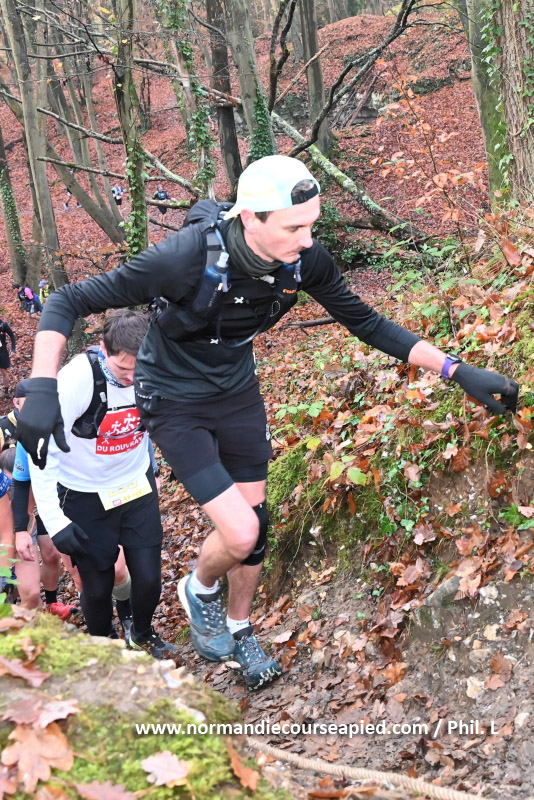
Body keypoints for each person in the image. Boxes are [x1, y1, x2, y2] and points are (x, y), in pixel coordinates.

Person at [16, 155, 519, 689]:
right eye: (295, 227)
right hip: (173, 398)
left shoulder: (303, 261)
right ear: (250, 218)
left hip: (237, 392)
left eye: (312, 225)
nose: (308, 240)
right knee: (240, 531)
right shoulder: (185, 257)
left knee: (256, 530)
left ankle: (239, 626)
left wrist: (455, 369)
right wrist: (43, 385)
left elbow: (366, 322)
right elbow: (68, 300)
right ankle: (198, 587)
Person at [27, 310, 176, 657]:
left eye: (140, 369)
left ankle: (142, 633)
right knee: (97, 586)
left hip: (134, 484)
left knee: (149, 577)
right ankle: (104, 648)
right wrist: (54, 519)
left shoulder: (157, 366)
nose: (133, 378)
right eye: (123, 369)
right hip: (83, 493)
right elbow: (40, 450)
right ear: (104, 349)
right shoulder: (76, 380)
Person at [0, 318, 16, 395]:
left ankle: (6, 390)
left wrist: (13, 350)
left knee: (4, 371)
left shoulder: (3, 325)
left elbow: (12, 336)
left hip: (2, 351)